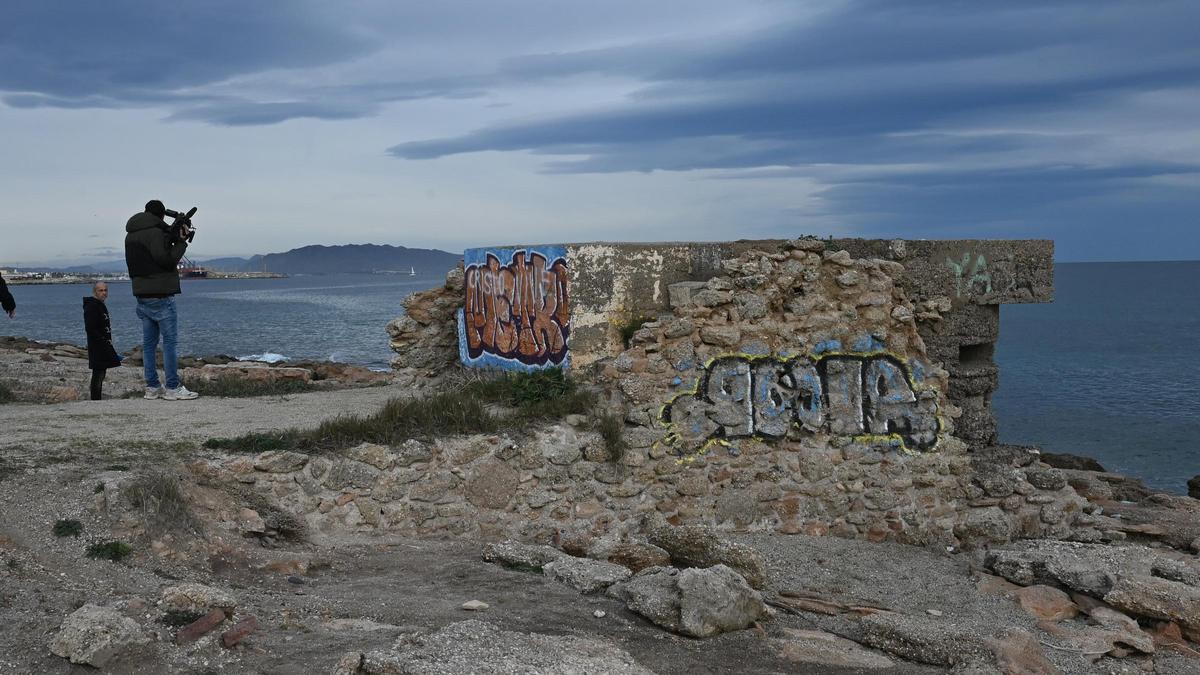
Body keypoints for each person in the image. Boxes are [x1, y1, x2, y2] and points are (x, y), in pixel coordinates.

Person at [124, 199, 199, 400]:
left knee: (148, 345)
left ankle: (152, 387)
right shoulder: (155, 232)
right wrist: (181, 242)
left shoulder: (130, 235)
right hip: (161, 294)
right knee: (170, 342)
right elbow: (165, 260)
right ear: (161, 215)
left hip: (141, 295)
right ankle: (172, 387)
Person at [83, 281, 122, 400]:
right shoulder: (92, 306)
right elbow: (90, 328)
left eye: (105, 290)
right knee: (98, 374)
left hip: (102, 344)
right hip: (97, 345)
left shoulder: (99, 304)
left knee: (101, 372)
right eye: (101, 290)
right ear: (95, 291)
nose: (104, 293)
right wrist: (102, 341)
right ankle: (95, 399)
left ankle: (97, 398)